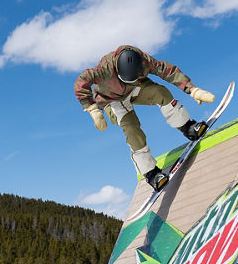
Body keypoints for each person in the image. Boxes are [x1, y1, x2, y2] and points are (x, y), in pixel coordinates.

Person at [74, 45, 216, 190]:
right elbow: (81, 82)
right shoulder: (104, 70)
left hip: (136, 87)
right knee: (131, 127)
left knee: (160, 92)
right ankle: (151, 173)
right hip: (112, 100)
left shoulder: (144, 61)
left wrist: (193, 89)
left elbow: (167, 70)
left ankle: (188, 127)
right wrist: (93, 110)